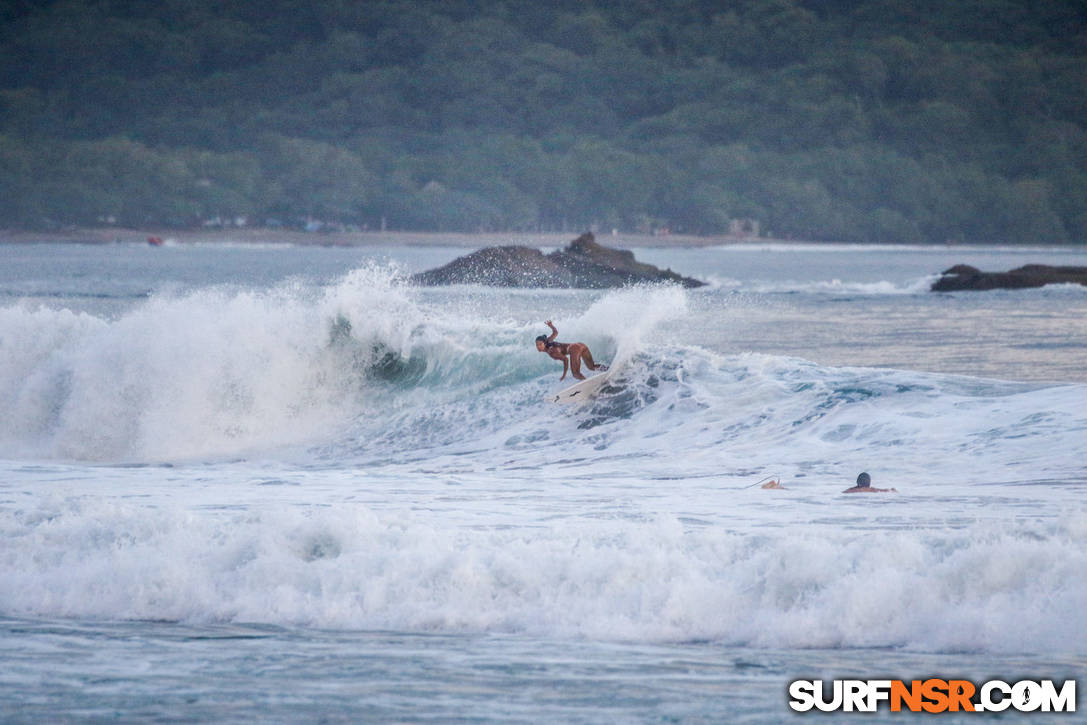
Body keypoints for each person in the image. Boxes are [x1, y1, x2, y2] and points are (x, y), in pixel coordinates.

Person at [535, 320, 608, 381]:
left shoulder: (551, 352)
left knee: (576, 374)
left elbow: (565, 359)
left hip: (574, 349)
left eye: (540, 344)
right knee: (591, 367)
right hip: (581, 345)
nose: (538, 347)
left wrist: (564, 375)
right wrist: (551, 326)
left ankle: (588, 385)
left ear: (544, 343)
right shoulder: (548, 340)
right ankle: (608, 369)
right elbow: (555, 332)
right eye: (537, 345)